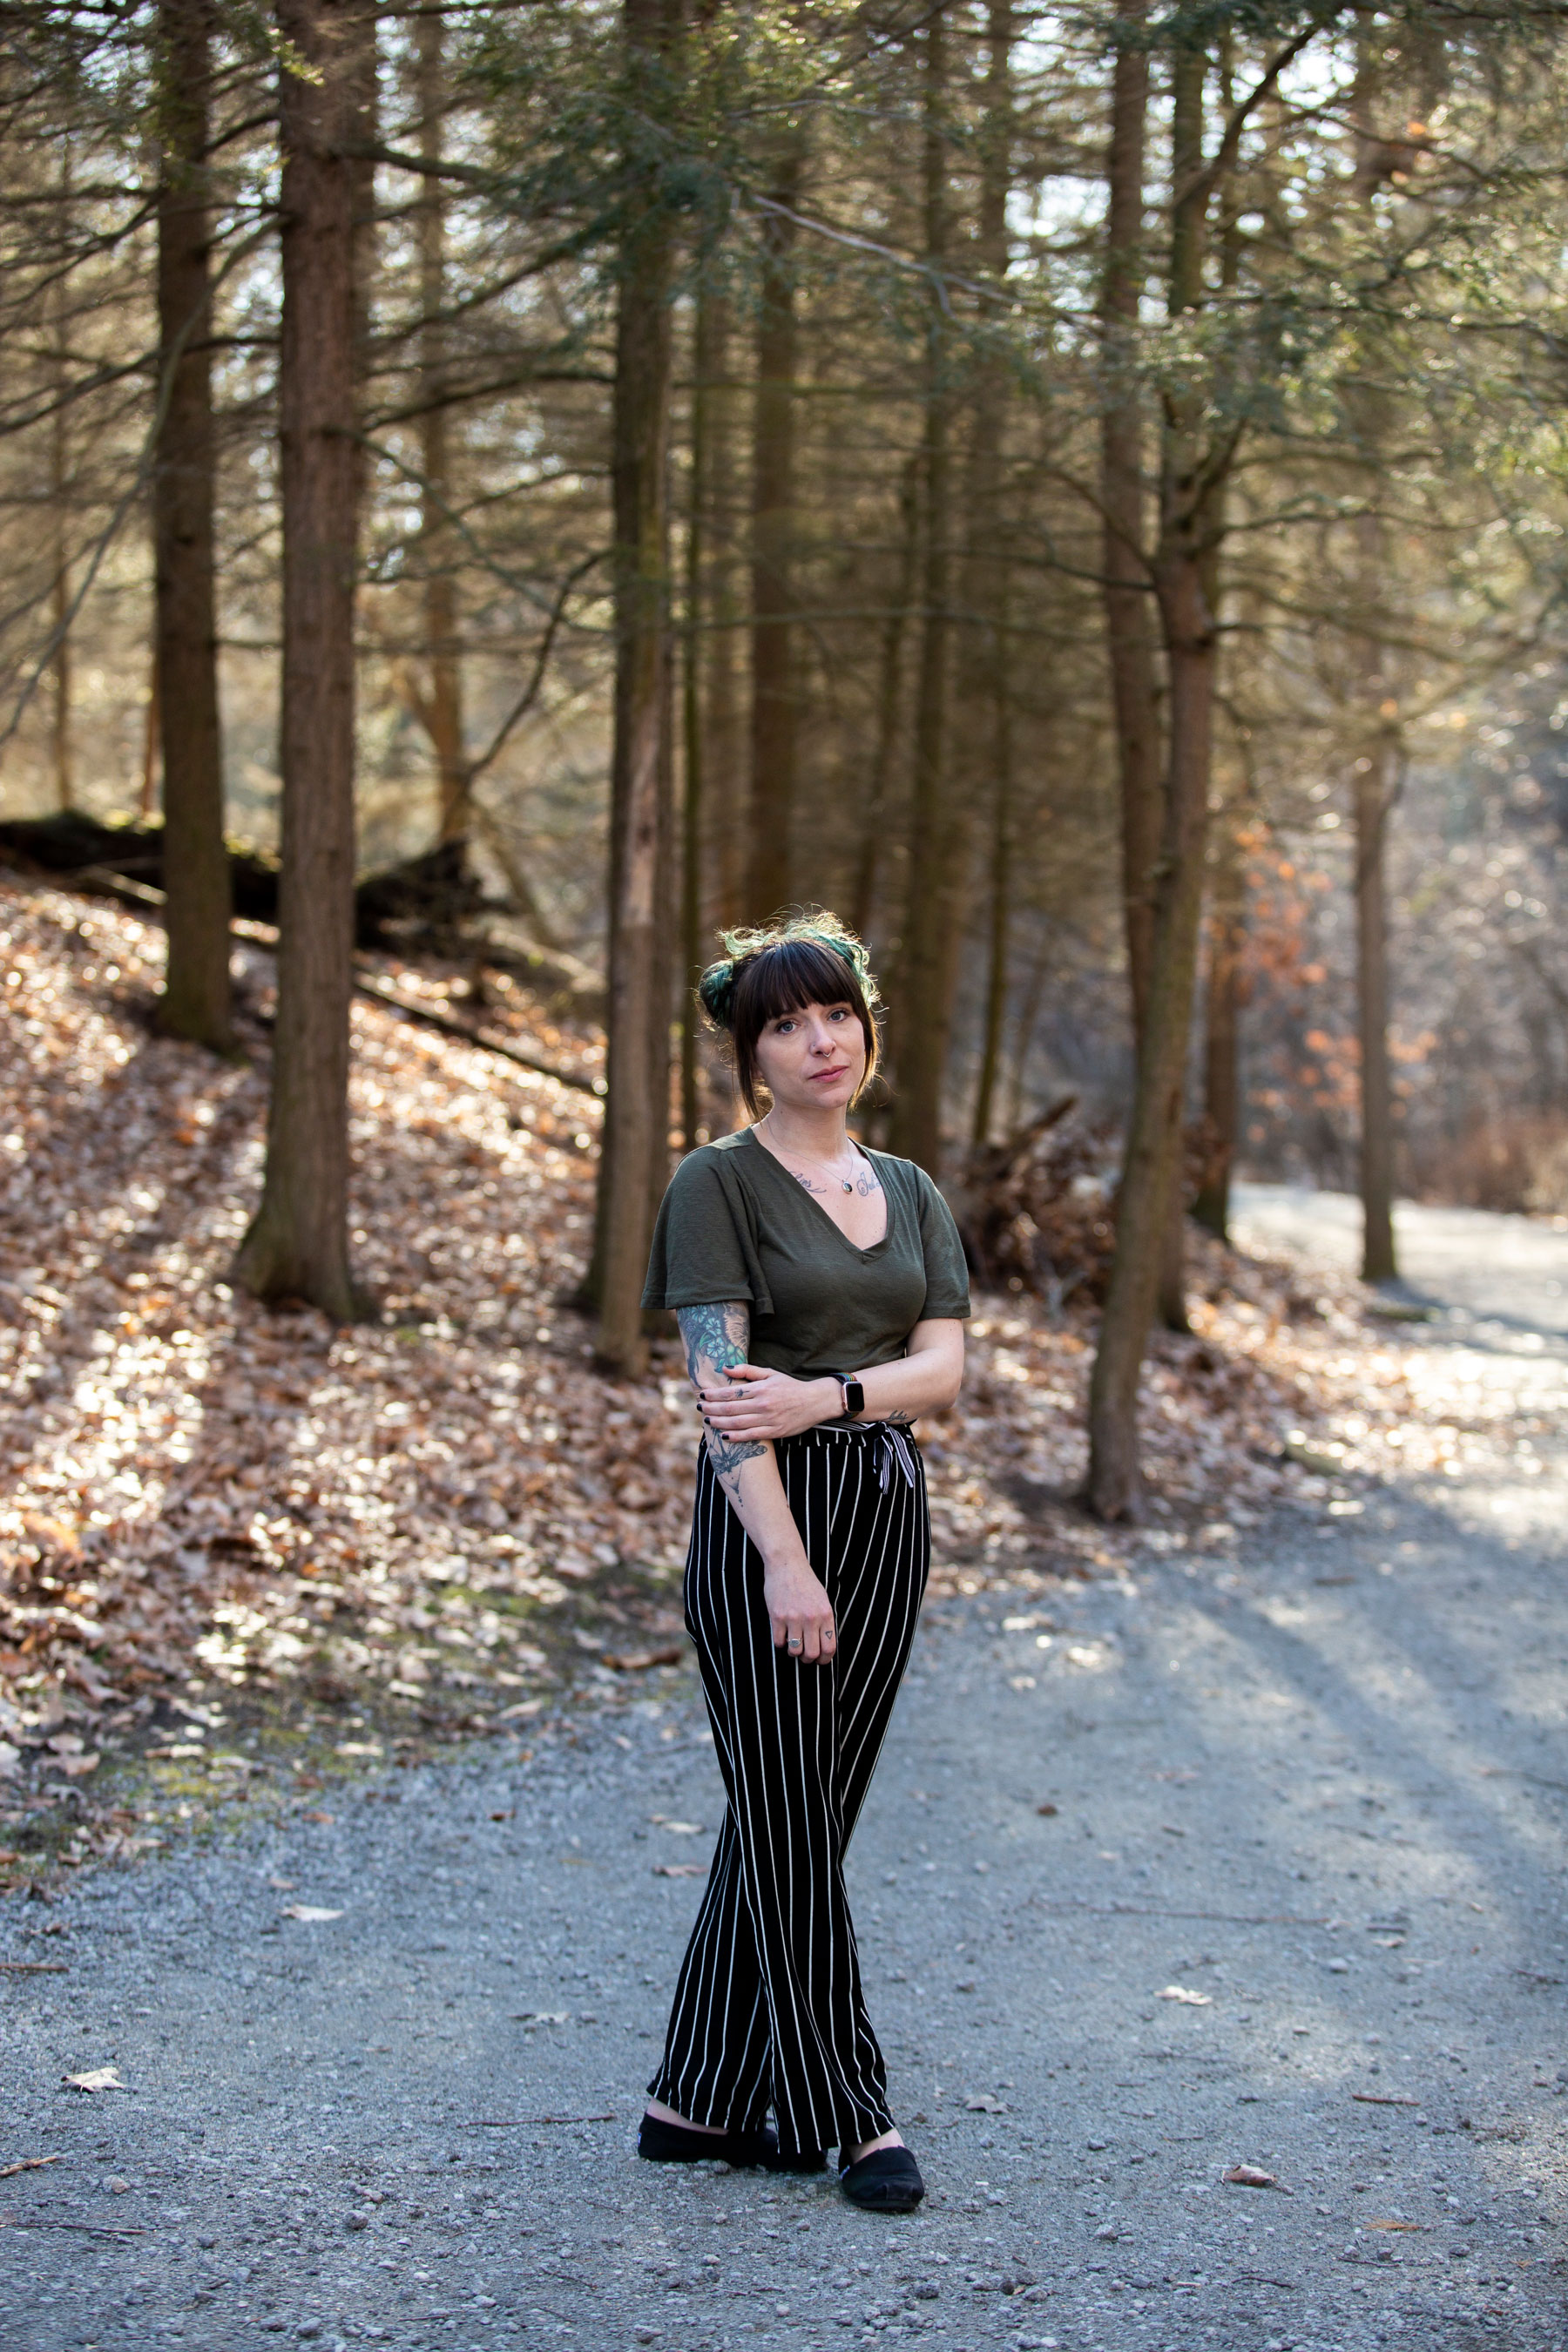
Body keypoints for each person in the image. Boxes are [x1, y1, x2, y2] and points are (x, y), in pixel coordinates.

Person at [635, 913, 970, 2214]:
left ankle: (693, 2100)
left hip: (886, 1510)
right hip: (767, 1529)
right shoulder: (713, 1182)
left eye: (833, 1013)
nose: (818, 1040)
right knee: (784, 1817)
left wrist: (831, 1397)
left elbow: (942, 1373)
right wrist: (781, 1560)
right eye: (785, 1023)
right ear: (749, 1052)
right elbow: (724, 1396)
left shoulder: (913, 1189)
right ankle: (849, 2109)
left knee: (802, 1820)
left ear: (865, 1026)